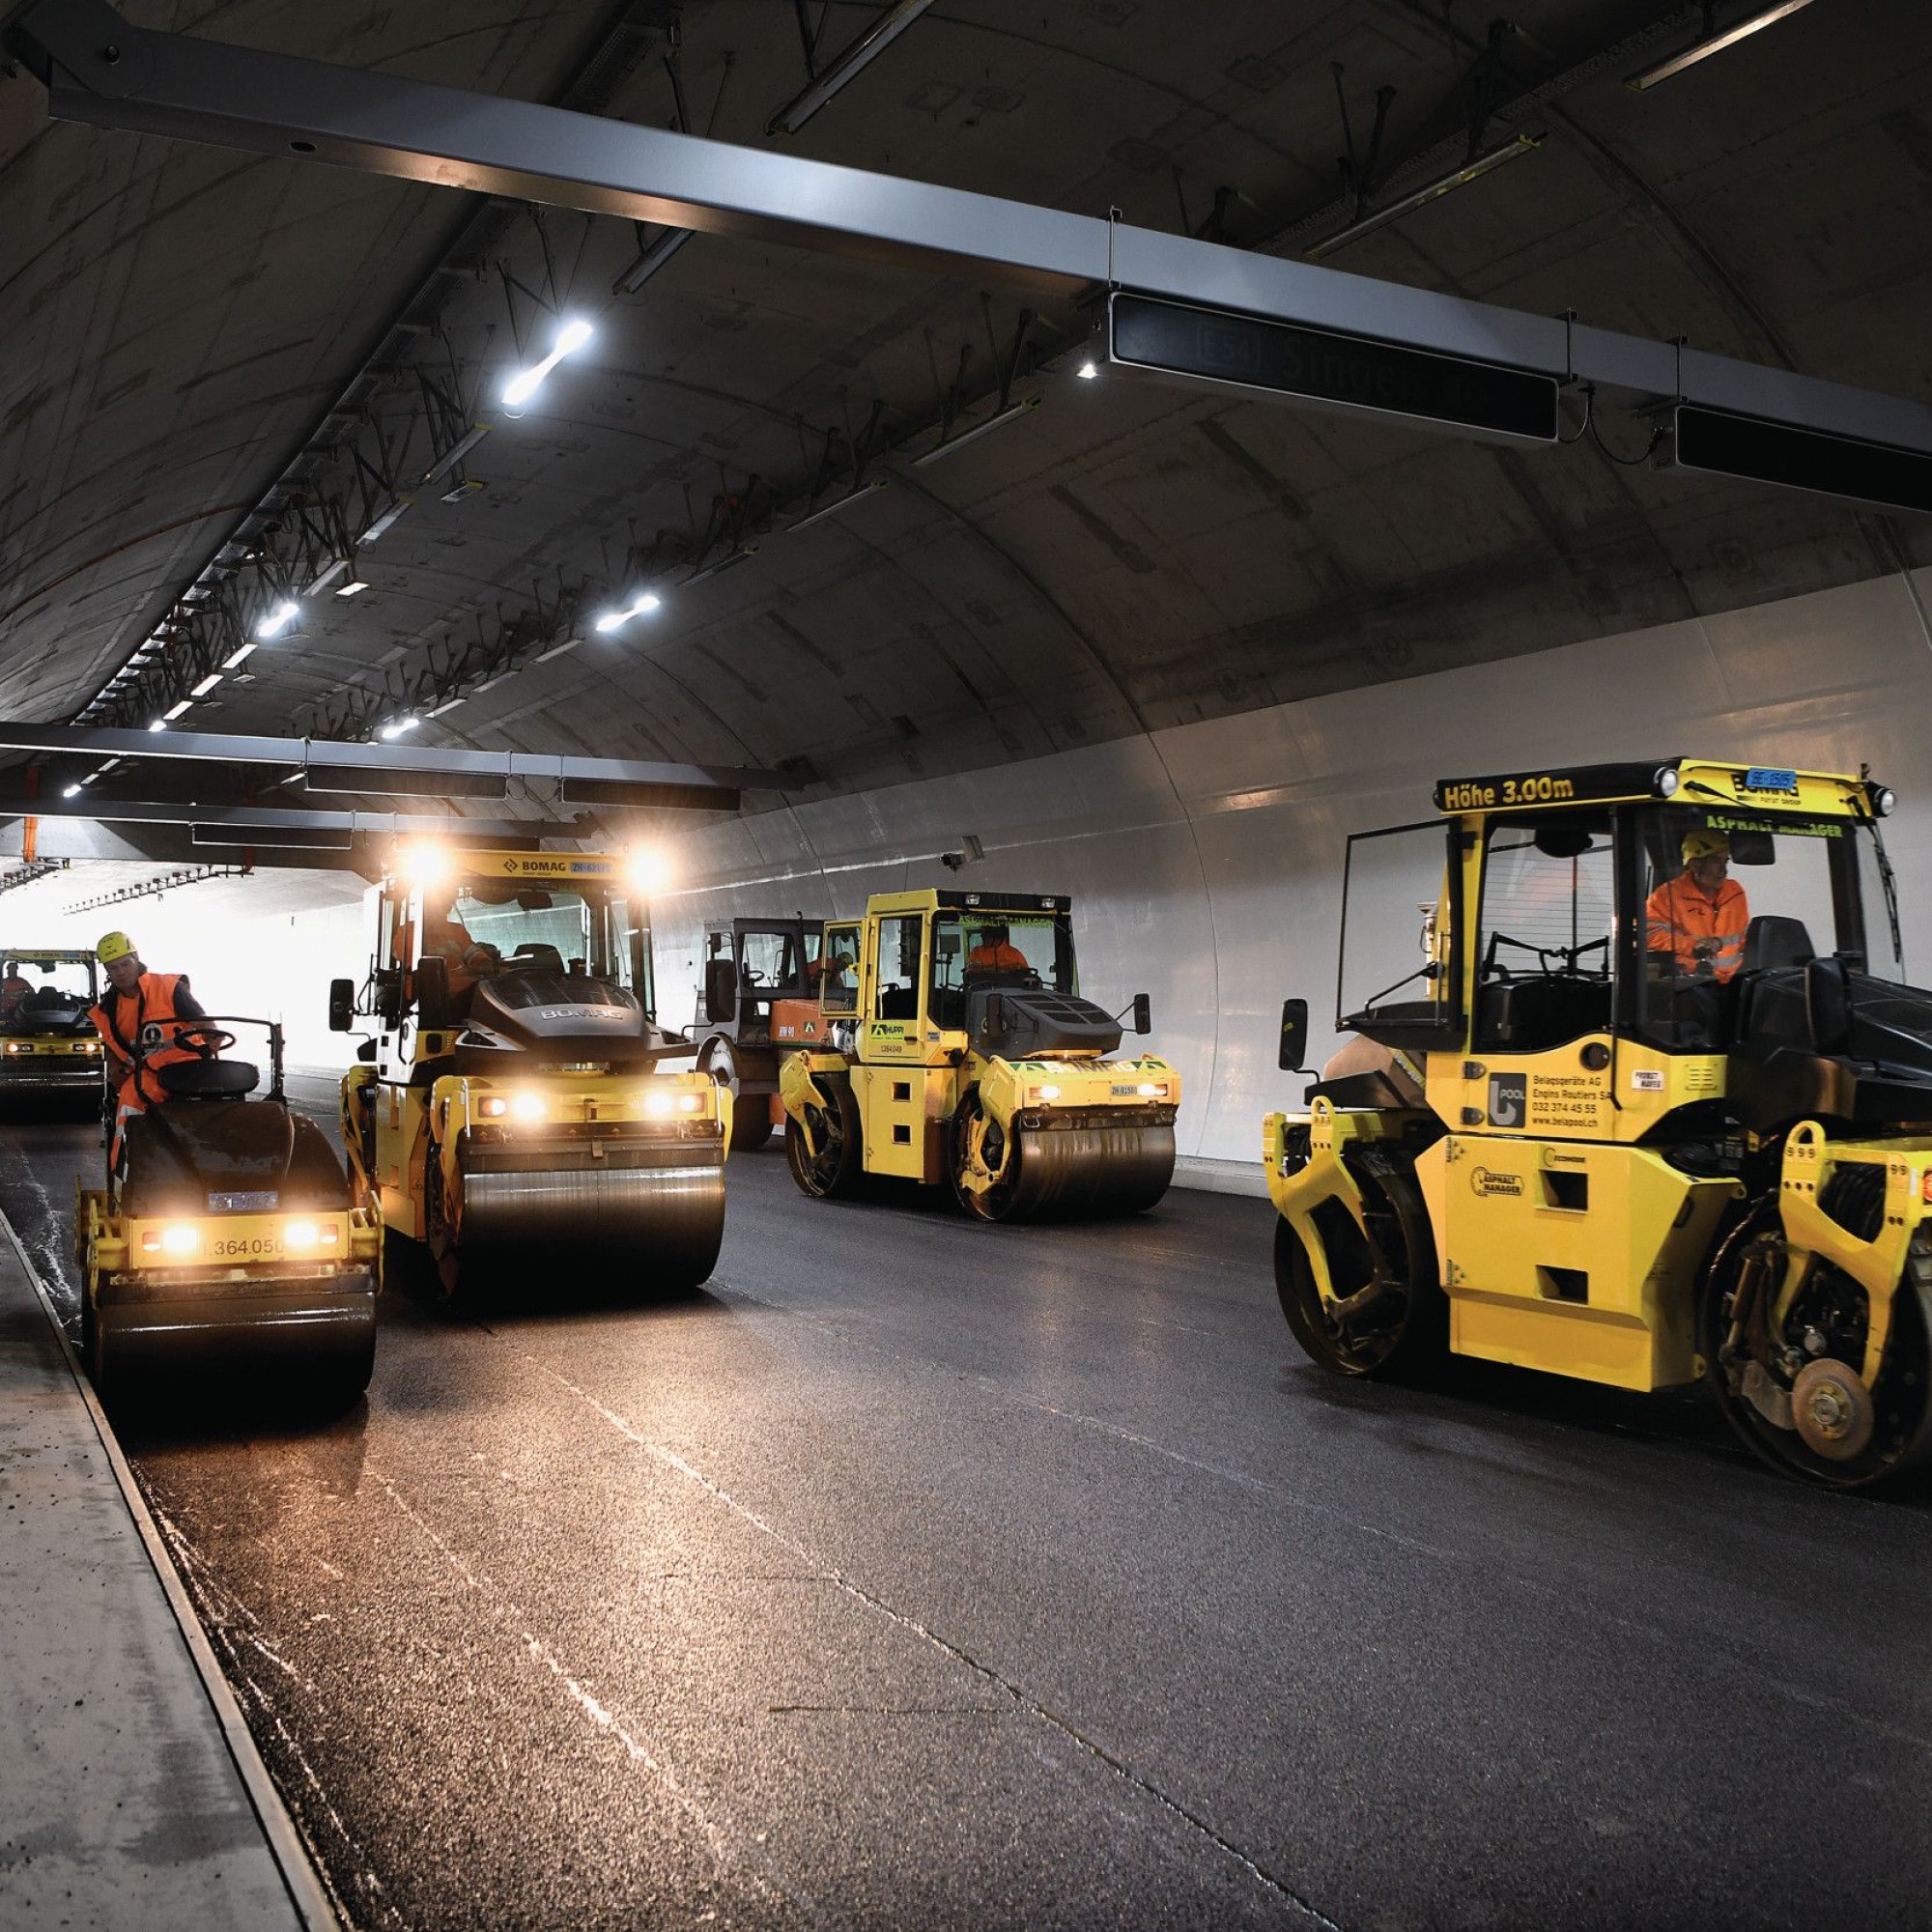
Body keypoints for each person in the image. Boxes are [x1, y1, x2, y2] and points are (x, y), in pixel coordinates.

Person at [86, 931, 206, 1167]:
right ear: (107, 972)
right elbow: (111, 1048)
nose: (121, 972)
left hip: (191, 1065)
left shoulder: (169, 987)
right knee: (132, 1095)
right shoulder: (108, 1009)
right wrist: (114, 1067)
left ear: (136, 958)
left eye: (125, 964)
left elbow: (206, 1025)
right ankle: (127, 1172)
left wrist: (211, 1041)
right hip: (147, 1075)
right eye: (113, 968)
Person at [1646, 829, 1749, 982]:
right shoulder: (1667, 895)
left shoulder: (1735, 892)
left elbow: (1741, 937)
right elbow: (1647, 934)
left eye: (1725, 861)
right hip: (1689, 986)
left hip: (1733, 985)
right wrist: (1692, 946)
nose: (1724, 869)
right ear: (1694, 865)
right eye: (1716, 861)